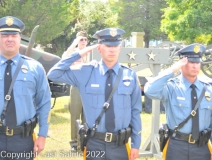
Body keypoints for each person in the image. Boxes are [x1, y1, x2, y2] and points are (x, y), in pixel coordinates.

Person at [48, 28, 142, 160]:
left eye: (115, 46)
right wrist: (79, 53)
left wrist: (136, 144)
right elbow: (53, 74)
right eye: (108, 45)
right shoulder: (86, 72)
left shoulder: (130, 76)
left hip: (120, 145)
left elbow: (135, 112)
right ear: (99, 48)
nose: (112, 49)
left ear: (120, 48)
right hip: (94, 144)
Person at [144, 43, 212, 160]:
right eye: (191, 62)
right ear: (182, 63)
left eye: (197, 62)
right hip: (176, 146)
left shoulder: (209, 90)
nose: (195, 66)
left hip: (202, 146)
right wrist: (172, 69)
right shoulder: (171, 87)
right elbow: (150, 90)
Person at [0, 16, 51, 159]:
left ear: (19, 38)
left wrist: (42, 135)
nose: (9, 39)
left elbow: (44, 103)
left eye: (14, 35)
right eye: (5, 35)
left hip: (23, 140)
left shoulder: (35, 68)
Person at [62, 31, 90, 151]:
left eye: (85, 39)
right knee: (75, 114)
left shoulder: (91, 52)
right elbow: (64, 58)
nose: (83, 41)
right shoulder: (74, 53)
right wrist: (74, 43)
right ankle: (74, 142)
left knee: (88, 115)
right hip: (77, 86)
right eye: (80, 39)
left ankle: (86, 142)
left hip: (90, 86)